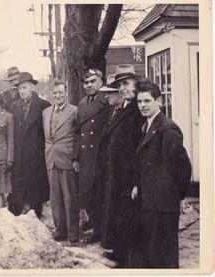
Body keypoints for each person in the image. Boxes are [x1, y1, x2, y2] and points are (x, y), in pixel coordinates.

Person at [132, 78, 191, 268]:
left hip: (163, 203)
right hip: (149, 200)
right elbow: (147, 164)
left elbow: (182, 167)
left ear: (160, 102)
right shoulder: (147, 126)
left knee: (164, 256)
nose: (142, 105)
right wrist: (138, 185)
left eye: (147, 101)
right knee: (152, 251)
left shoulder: (168, 129)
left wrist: (179, 196)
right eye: (139, 102)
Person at [94, 70, 145, 267]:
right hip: (116, 171)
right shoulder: (125, 107)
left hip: (128, 173)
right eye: (120, 85)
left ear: (135, 85)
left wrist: (136, 179)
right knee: (117, 214)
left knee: (127, 216)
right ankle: (119, 252)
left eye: (126, 84)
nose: (122, 89)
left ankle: (127, 258)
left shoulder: (137, 109)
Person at [72, 68, 110, 243]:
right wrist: (75, 157)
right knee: (87, 193)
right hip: (86, 156)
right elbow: (78, 133)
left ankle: (101, 231)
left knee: (100, 194)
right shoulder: (82, 104)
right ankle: (95, 225)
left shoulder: (107, 101)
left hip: (100, 156)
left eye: (93, 81)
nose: (89, 85)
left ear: (101, 82)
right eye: (86, 83)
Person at [8, 72, 51, 219]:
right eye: (19, 89)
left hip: (36, 153)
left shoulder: (44, 106)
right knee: (18, 185)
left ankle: (36, 215)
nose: (22, 91)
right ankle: (17, 214)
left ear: (32, 87)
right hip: (19, 153)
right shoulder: (14, 106)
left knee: (36, 186)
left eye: (25, 88)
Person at [42, 80, 79, 244]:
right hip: (51, 159)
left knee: (70, 198)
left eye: (60, 93)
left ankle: (73, 233)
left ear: (66, 93)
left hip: (67, 158)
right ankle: (60, 230)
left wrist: (76, 157)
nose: (57, 95)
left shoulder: (74, 111)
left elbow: (78, 137)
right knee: (55, 198)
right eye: (55, 93)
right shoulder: (46, 112)